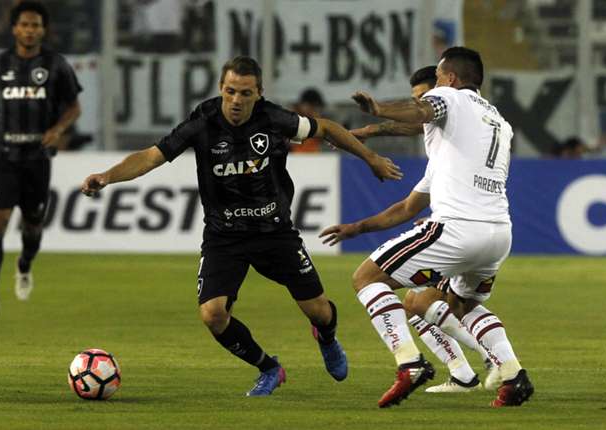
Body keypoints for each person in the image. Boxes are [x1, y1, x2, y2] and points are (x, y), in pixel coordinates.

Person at [81, 56, 402, 397]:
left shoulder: (274, 119)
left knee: (320, 311)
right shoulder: (202, 121)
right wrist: (108, 176)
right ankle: (269, 368)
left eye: (245, 93)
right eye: (230, 91)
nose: (236, 100)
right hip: (224, 237)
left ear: (258, 94)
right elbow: (151, 156)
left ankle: (326, 337)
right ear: (221, 89)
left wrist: (372, 159)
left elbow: (327, 128)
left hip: (275, 232)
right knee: (212, 315)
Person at [320, 47, 534, 408]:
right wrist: (357, 228)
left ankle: (410, 363)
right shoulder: (494, 123)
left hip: (457, 229)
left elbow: (422, 111)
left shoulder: (449, 96)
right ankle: (513, 376)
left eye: (436, 79)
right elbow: (407, 206)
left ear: (449, 78)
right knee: (457, 304)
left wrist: (379, 108)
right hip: (498, 235)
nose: (433, 86)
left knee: (367, 278)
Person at [349, 65, 500, 394]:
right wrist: (372, 130)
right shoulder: (461, 139)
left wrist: (376, 117)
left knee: (416, 299)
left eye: (423, 99)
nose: (419, 107)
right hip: (477, 229)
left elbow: (419, 117)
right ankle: (466, 371)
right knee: (419, 305)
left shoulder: (451, 114)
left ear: (446, 86)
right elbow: (406, 207)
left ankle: (491, 359)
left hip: (460, 232)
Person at [0, 1, 82, 317]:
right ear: (15, 28)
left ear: (43, 30)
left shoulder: (55, 65)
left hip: (37, 159)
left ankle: (25, 264)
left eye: (36, 25)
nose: (30, 30)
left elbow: (74, 107)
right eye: (25, 25)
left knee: (32, 224)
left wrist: (58, 129)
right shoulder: (0, 63)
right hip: (4, 156)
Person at [290, 88, 325, 153]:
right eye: (310, 106)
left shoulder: (319, 122)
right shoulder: (291, 119)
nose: (312, 110)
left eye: (315, 107)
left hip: (314, 158)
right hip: (293, 158)